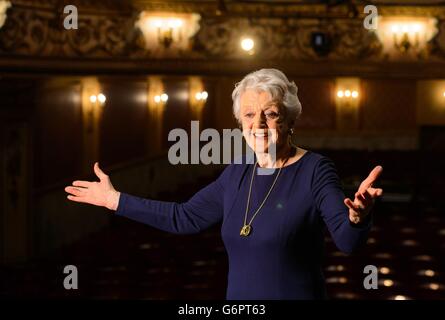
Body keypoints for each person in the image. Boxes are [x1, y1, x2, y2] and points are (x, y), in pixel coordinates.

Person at [65, 68, 383, 299]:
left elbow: (347, 241)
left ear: (289, 120)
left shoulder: (315, 169)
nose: (257, 124)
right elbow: (184, 218)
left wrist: (358, 217)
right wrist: (115, 200)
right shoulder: (237, 172)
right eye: (248, 115)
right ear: (239, 122)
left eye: (270, 114)